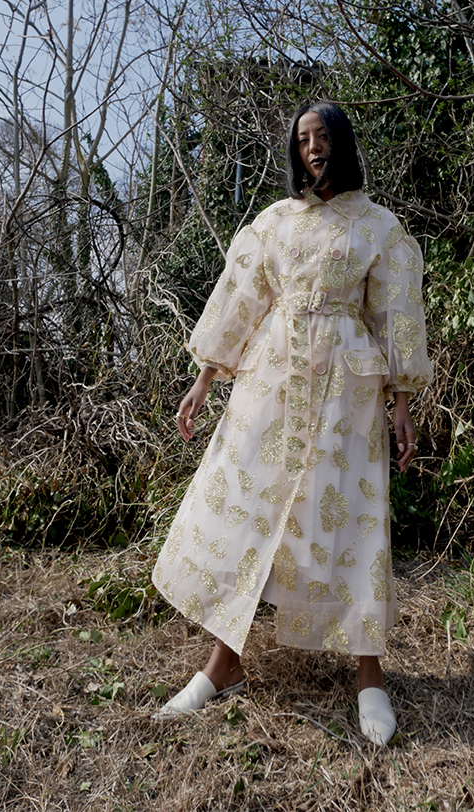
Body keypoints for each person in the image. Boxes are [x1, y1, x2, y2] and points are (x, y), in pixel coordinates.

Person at [150, 100, 433, 746]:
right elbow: (242, 298)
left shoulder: (378, 228)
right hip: (271, 382)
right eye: (303, 139)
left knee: (353, 519)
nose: (312, 148)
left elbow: (396, 316)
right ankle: (223, 664)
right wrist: (204, 379)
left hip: (347, 393)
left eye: (322, 136)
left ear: (342, 143)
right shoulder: (274, 223)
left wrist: (402, 403)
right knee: (250, 509)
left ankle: (369, 674)